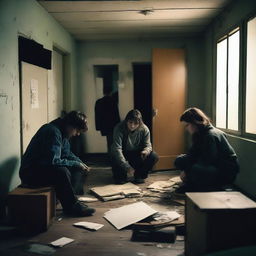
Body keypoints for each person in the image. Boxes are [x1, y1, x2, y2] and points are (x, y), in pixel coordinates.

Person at [19, 111, 95, 217]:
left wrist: (80, 163)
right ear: (70, 126)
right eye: (77, 130)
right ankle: (71, 207)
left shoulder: (62, 132)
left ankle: (72, 200)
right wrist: (75, 164)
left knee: (78, 168)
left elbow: (67, 153)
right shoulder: (53, 132)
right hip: (30, 173)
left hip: (41, 168)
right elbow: (53, 161)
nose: (77, 134)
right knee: (62, 172)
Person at [174, 107, 239, 193]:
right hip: (212, 165)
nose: (186, 128)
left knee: (194, 168)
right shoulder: (200, 134)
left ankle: (197, 186)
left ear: (195, 123)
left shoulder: (210, 135)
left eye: (187, 125)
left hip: (224, 170)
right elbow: (193, 153)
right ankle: (195, 183)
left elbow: (208, 160)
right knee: (180, 160)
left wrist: (187, 170)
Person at [111, 109, 159, 184]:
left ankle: (139, 175)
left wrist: (146, 151)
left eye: (135, 123)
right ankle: (121, 175)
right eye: (130, 122)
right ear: (126, 121)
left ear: (139, 123)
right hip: (123, 153)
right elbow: (117, 149)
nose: (132, 126)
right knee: (119, 179)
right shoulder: (119, 128)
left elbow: (148, 145)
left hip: (137, 154)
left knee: (154, 156)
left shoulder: (144, 129)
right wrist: (127, 167)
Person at [95, 87, 120, 155]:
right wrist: (119, 125)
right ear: (111, 92)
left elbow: (97, 115)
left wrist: (98, 127)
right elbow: (116, 114)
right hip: (113, 125)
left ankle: (110, 155)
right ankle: (112, 156)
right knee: (113, 141)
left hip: (104, 125)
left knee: (109, 141)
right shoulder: (113, 101)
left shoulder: (99, 102)